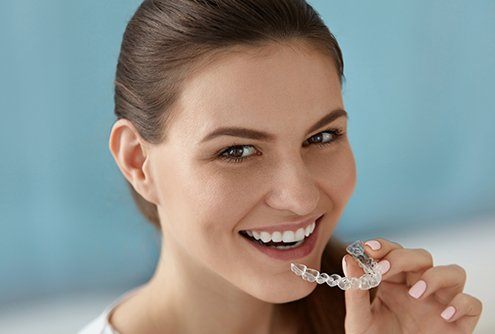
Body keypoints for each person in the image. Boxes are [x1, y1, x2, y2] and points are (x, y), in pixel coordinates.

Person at [78, 0, 483, 333]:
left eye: (322, 137)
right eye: (237, 151)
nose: (301, 197)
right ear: (138, 162)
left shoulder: (393, 320)